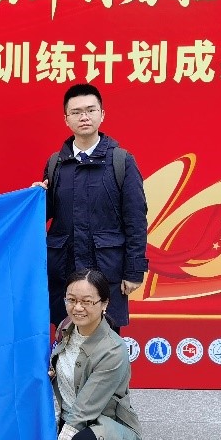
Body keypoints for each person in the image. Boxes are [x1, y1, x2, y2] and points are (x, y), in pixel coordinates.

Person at [41, 83, 148, 332]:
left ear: (102, 114)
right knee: (66, 342)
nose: (84, 117)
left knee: (105, 344)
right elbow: (44, 216)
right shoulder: (56, 164)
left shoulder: (121, 161)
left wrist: (134, 271)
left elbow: (136, 220)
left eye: (91, 110)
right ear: (66, 119)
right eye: (76, 112)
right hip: (65, 272)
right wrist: (37, 197)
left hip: (106, 272)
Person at [46, 269, 142, 440]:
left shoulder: (113, 350)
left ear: (104, 304)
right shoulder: (66, 329)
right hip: (69, 423)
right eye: (71, 300)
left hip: (104, 430)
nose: (78, 308)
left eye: (87, 301)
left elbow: (82, 412)